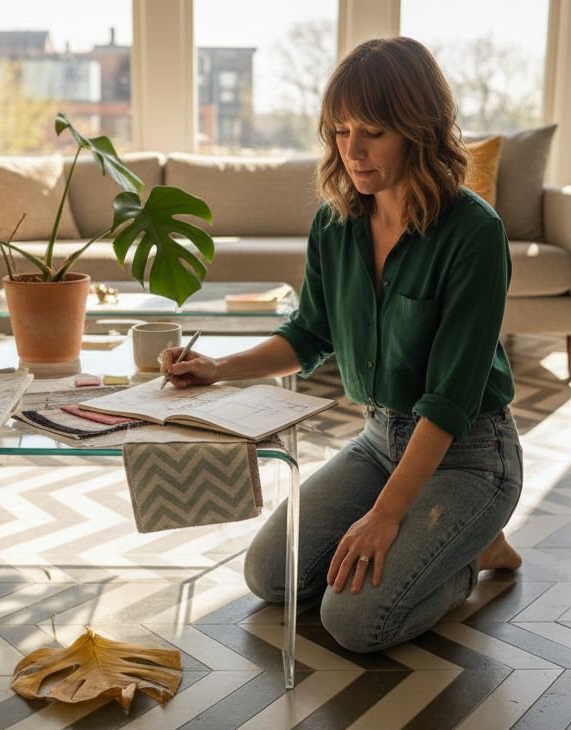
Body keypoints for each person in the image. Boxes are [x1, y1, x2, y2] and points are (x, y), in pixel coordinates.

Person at [159, 36, 523, 654]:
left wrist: (384, 517)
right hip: (379, 440)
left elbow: (447, 401)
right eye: (341, 130)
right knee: (269, 577)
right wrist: (218, 368)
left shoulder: (474, 233)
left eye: (373, 132)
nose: (352, 151)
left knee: (354, 622)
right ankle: (446, 540)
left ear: (420, 130)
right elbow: (310, 334)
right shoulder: (336, 222)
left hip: (468, 453)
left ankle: (470, 552)